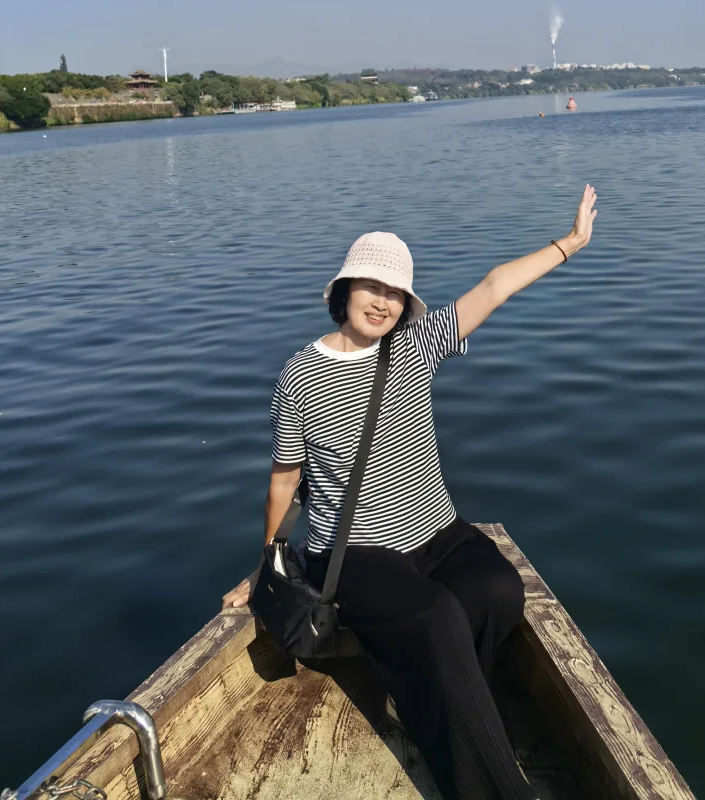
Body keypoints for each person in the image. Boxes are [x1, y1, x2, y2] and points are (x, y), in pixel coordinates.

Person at [222, 184, 598, 800]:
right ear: (344, 291)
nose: (384, 302)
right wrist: (267, 566)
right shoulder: (300, 375)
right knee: (434, 613)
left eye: (396, 293)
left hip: (435, 533)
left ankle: (443, 695)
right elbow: (286, 482)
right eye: (372, 287)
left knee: (500, 590)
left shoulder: (417, 344)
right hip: (356, 554)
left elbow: (494, 287)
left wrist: (571, 243)